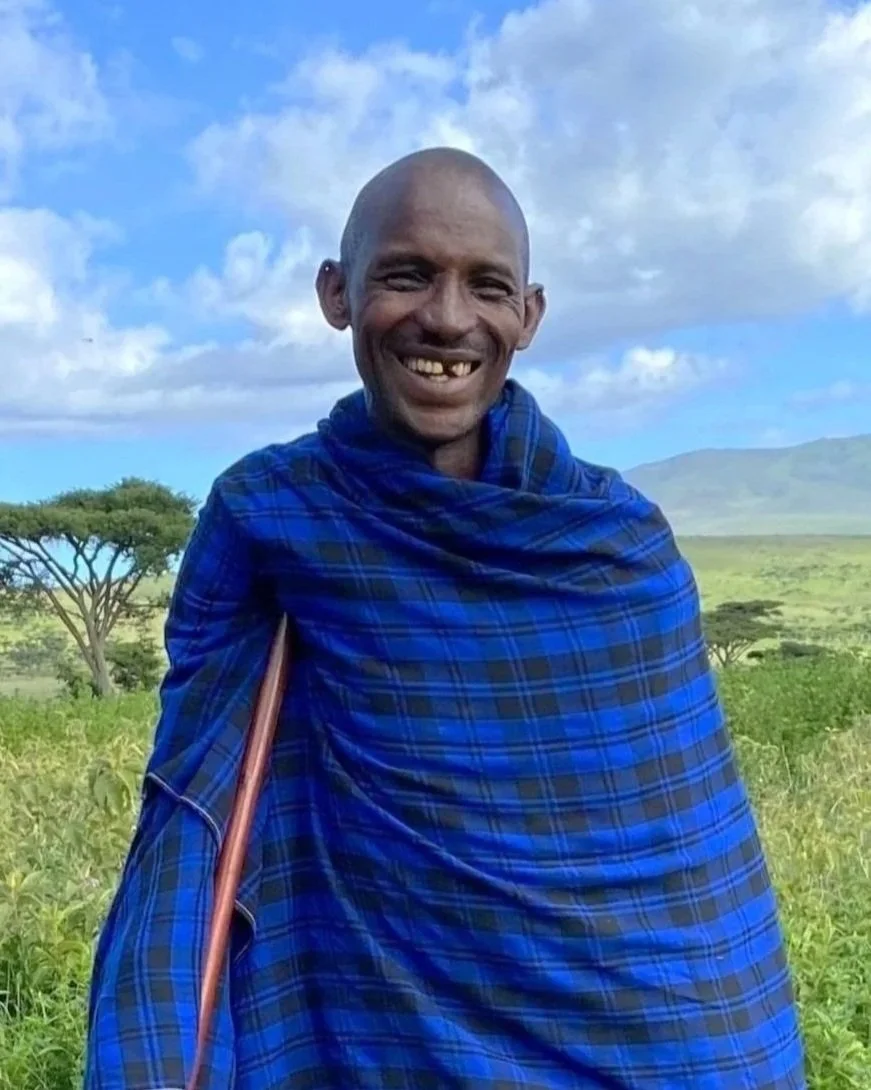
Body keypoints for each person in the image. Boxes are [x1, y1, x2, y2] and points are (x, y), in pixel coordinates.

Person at [85, 147, 806, 1089]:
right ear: (336, 293)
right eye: (407, 274)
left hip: (648, 1043)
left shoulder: (616, 548)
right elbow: (198, 799)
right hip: (390, 1034)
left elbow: (684, 868)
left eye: (487, 286)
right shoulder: (274, 516)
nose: (448, 318)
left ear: (529, 315)